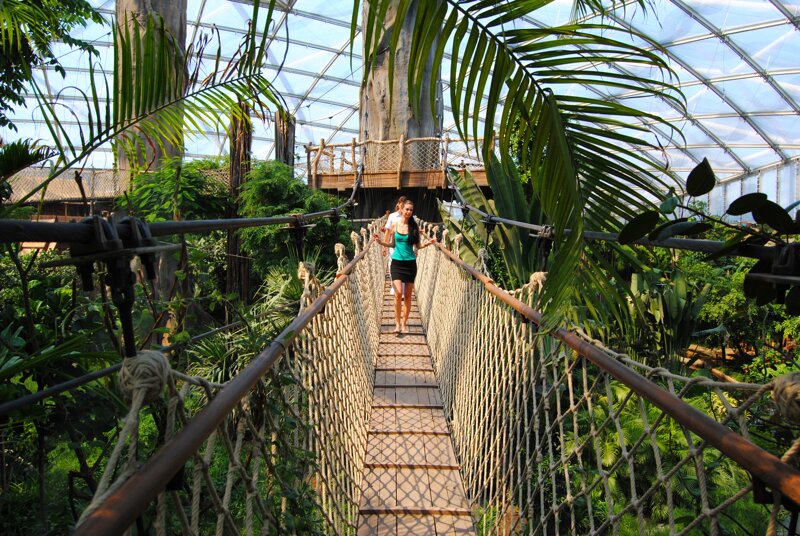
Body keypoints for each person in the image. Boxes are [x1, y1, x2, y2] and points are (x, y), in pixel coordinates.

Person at [373, 199, 437, 334]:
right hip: (396, 263)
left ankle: (404, 323)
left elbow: (418, 246)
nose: (408, 212)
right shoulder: (395, 225)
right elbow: (392, 244)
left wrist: (428, 243)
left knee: (407, 296)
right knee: (398, 294)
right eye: (407, 209)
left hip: (410, 264)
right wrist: (380, 243)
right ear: (401, 209)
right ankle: (397, 324)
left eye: (411, 210)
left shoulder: (414, 227)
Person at [384, 195, 406, 296]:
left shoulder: (409, 216)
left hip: (405, 246)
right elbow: (387, 232)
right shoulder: (392, 216)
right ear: (399, 205)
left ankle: (402, 290)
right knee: (392, 266)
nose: (402, 208)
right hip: (393, 246)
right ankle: (395, 287)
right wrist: (384, 246)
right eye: (401, 205)